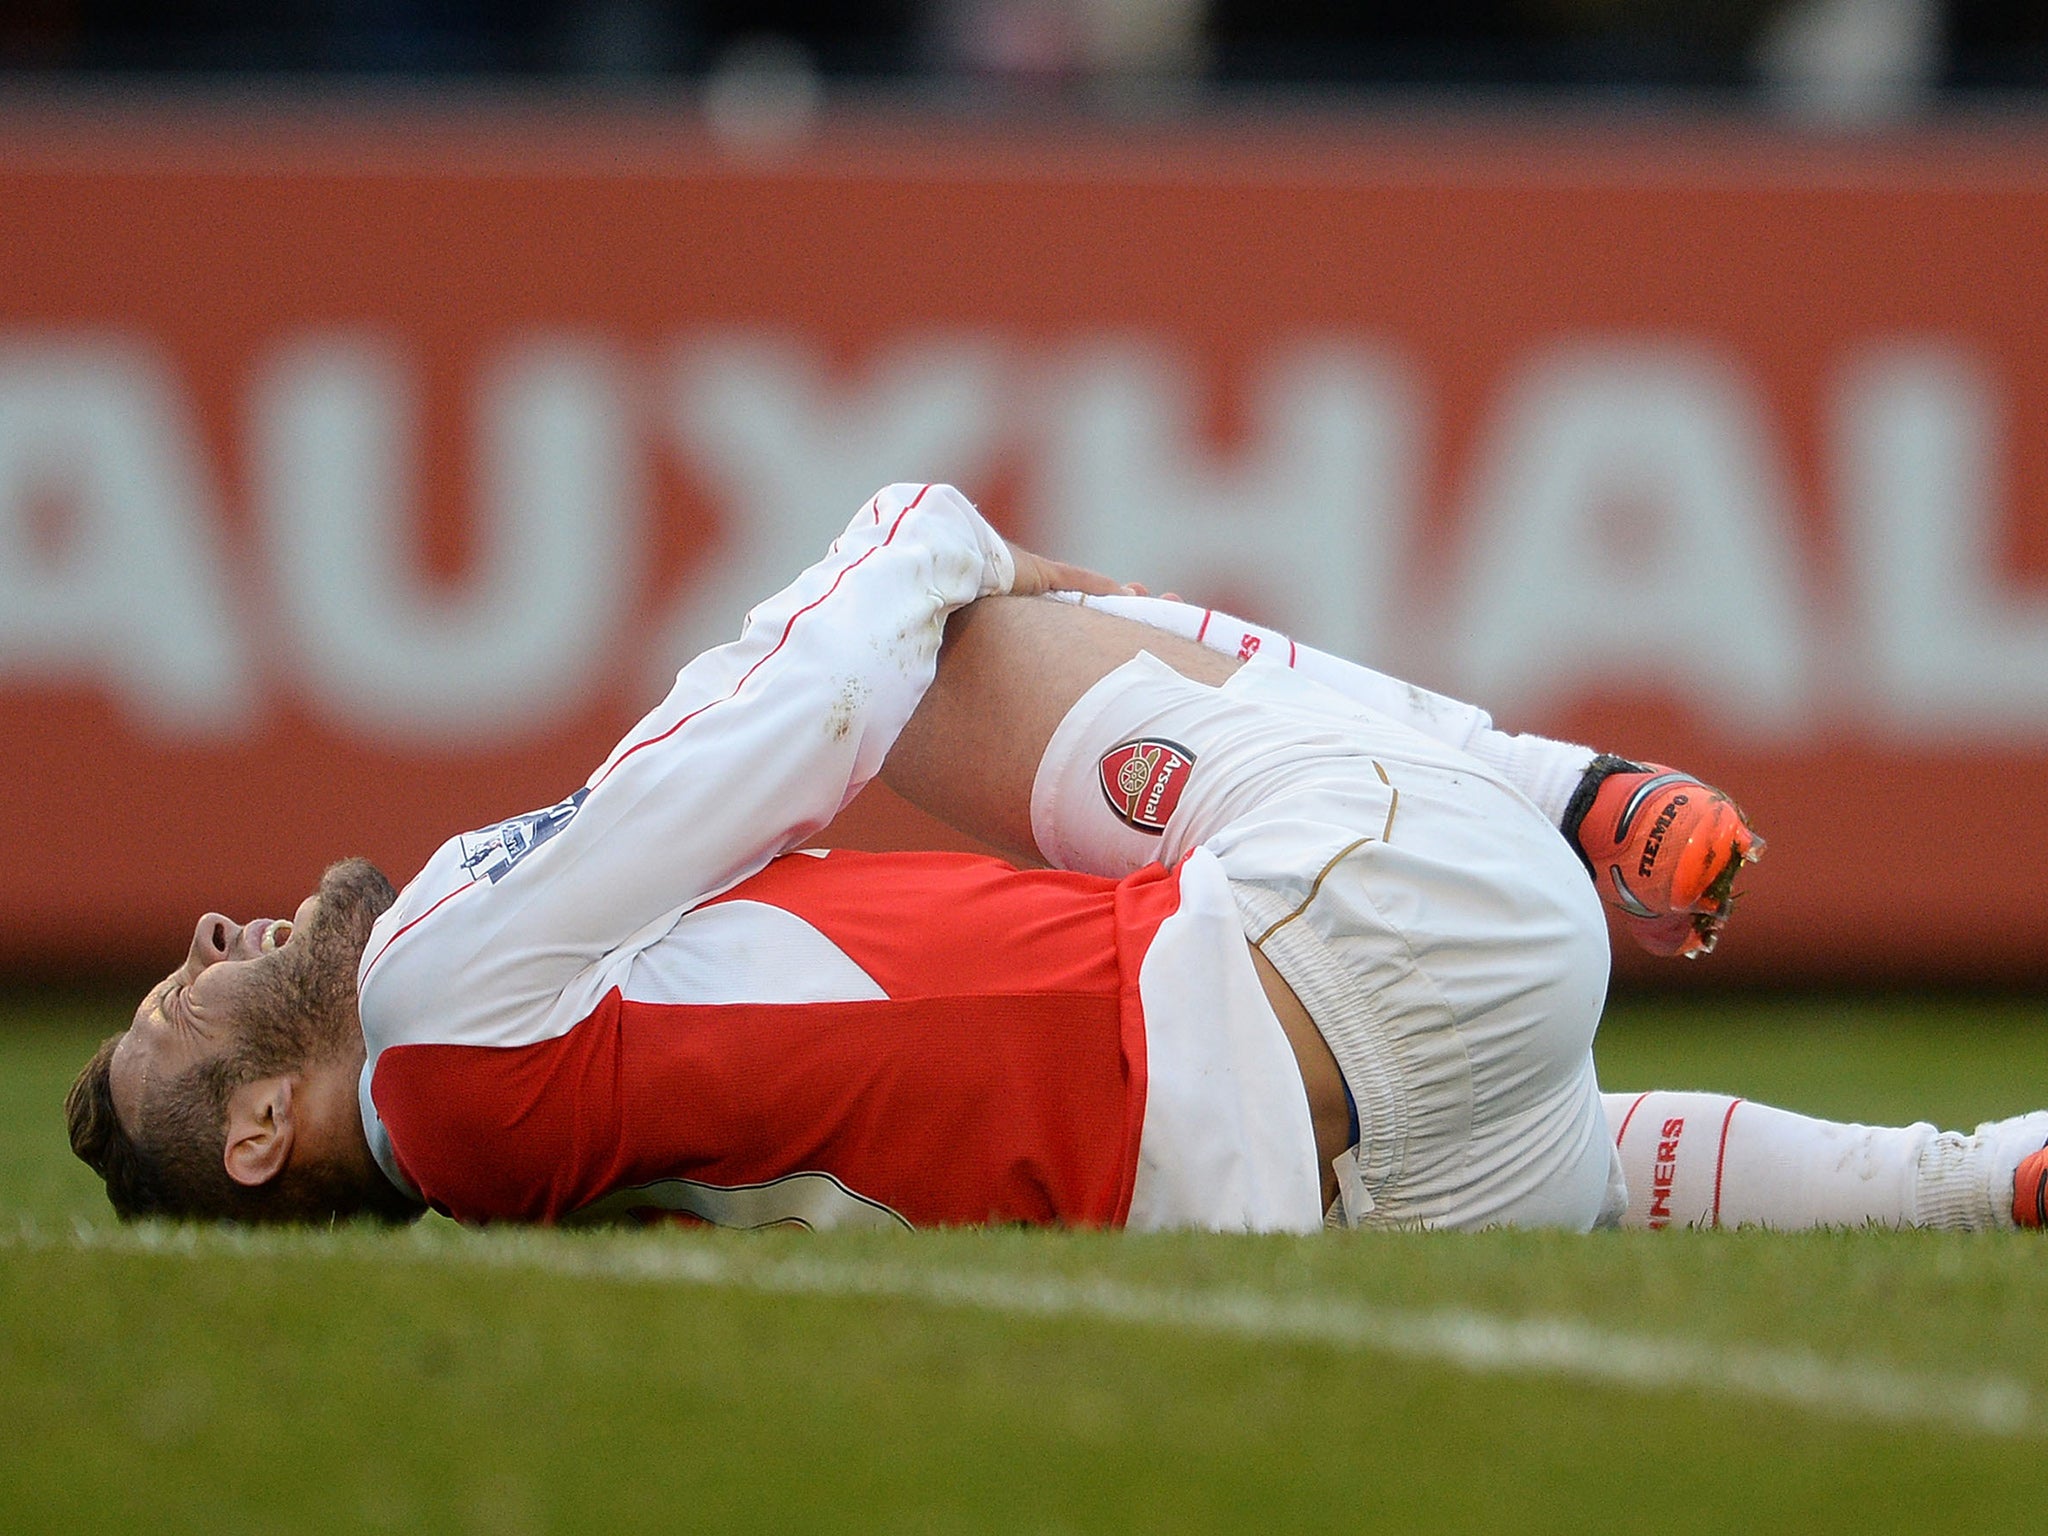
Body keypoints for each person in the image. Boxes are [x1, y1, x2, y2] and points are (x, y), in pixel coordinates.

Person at [65, 483, 2048, 1235]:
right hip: (1394, 919)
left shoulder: (512, 1162)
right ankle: (1565, 786)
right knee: (928, 658)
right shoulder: (425, 986)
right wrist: (933, 539)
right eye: (188, 1001)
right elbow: (768, 725)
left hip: (1312, 1172)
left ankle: (1991, 1186)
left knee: (1593, 1176)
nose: (219, 935)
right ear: (257, 1132)